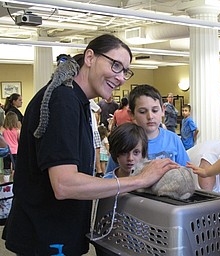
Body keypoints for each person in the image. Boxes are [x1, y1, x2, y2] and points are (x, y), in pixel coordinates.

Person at [2, 34, 178, 255]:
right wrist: (139, 180)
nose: (121, 77)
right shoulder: (63, 101)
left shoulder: (77, 101)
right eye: (115, 65)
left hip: (56, 232)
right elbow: (64, 184)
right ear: (90, 57)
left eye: (125, 71)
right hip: (47, 236)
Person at [106, 84, 189, 173]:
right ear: (132, 114)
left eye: (155, 110)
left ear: (163, 111)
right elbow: (110, 179)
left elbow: (187, 173)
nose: (150, 116)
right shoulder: (124, 141)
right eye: (142, 112)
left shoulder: (173, 139)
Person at [2, 111, 20, 181]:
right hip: (15, 151)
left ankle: (6, 183)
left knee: (6, 168)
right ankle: (14, 182)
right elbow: (19, 140)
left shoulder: (3, 130)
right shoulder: (17, 131)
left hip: (6, 152)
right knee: (15, 168)